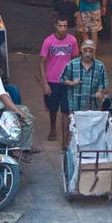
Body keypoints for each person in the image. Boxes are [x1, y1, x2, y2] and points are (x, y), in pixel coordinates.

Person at [0, 55, 41, 163]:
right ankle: (18, 148)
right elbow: (2, 96)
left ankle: (26, 145)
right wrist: (18, 111)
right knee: (28, 118)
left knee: (25, 109)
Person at [39, 16, 79, 145]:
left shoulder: (72, 41)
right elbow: (42, 63)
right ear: (55, 26)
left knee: (66, 110)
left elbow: (75, 59)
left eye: (65, 26)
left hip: (67, 81)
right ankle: (53, 128)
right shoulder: (48, 41)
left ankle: (65, 138)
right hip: (52, 80)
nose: (62, 29)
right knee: (53, 109)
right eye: (60, 26)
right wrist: (44, 83)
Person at [60, 40, 108, 113]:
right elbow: (62, 79)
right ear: (81, 50)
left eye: (90, 51)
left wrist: (99, 92)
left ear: (94, 51)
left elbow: (102, 84)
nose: (87, 54)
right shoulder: (72, 64)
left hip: (93, 107)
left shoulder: (100, 66)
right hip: (75, 106)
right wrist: (71, 82)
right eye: (85, 51)